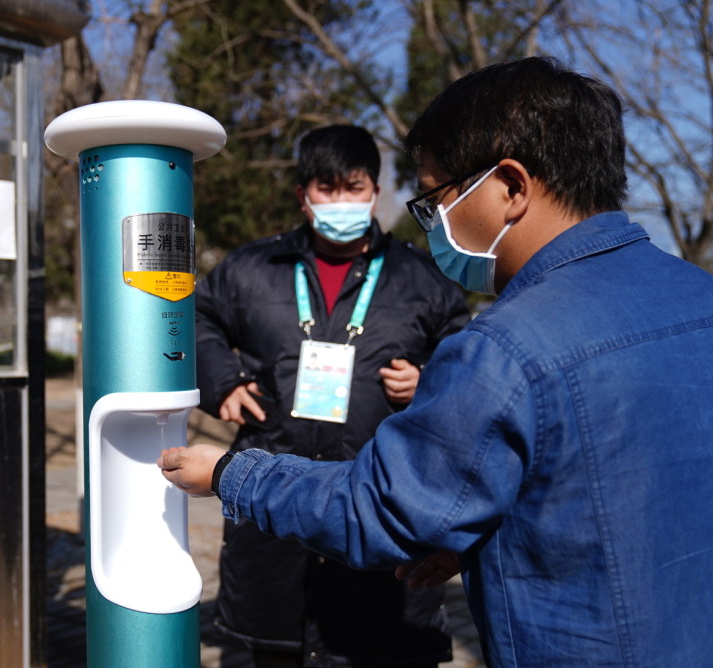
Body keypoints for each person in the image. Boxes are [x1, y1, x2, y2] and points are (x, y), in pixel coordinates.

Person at [161, 57, 713, 667]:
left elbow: (377, 509)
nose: (431, 224)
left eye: (435, 199)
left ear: (510, 187)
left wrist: (230, 473)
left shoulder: (505, 348)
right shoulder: (699, 296)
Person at [195, 124, 471, 667]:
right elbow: (194, 318)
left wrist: (428, 381)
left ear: (374, 192)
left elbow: (467, 359)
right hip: (271, 511)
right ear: (304, 195)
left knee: (381, 649)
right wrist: (221, 383)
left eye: (354, 186)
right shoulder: (251, 269)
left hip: (380, 511)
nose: (341, 201)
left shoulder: (424, 278)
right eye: (327, 188)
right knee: (277, 650)